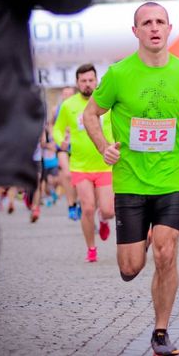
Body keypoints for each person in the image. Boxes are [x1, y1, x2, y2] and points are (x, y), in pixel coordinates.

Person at [84, 1, 179, 356]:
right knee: (130, 267)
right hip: (130, 179)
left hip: (170, 177)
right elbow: (90, 113)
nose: (154, 27)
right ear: (136, 31)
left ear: (169, 28)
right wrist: (103, 147)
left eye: (160, 21)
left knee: (166, 251)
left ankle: (161, 332)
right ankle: (141, 239)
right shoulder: (119, 74)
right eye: (147, 23)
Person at [0, 0, 92, 280]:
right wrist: (56, 141)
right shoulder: (67, 106)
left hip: (12, 129)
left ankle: (41, 204)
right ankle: (60, 205)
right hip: (57, 151)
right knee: (59, 181)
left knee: (51, 185)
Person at [53, 64, 115, 263]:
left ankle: (103, 219)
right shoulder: (68, 105)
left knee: (108, 210)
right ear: (77, 83)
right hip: (80, 165)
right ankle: (91, 248)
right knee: (87, 208)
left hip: (105, 165)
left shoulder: (106, 102)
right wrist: (61, 141)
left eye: (91, 80)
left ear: (96, 81)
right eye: (83, 81)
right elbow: (57, 129)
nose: (87, 84)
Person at [52, 86, 80, 221]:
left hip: (77, 146)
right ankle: (71, 205)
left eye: (70, 94)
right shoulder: (56, 109)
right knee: (67, 175)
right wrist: (57, 139)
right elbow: (52, 126)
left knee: (77, 176)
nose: (67, 96)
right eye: (65, 94)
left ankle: (78, 201)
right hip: (62, 146)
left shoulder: (80, 107)